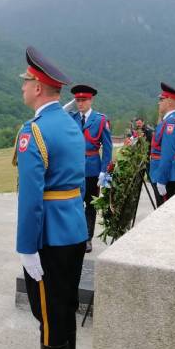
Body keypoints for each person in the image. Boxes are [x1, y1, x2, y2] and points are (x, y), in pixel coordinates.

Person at [12, 46, 87, 349]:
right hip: (72, 231)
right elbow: (79, 182)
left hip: (49, 238)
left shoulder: (35, 131)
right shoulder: (70, 125)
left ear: (39, 86)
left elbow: (31, 198)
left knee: (49, 312)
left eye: (26, 81)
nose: (23, 87)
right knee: (64, 305)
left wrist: (27, 247)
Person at [68, 84, 112, 253]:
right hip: (74, 168)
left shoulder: (100, 120)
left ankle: (87, 238)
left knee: (91, 204)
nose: (80, 104)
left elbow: (107, 148)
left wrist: (104, 172)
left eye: (83, 100)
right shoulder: (71, 118)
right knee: (74, 202)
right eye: (77, 100)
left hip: (93, 169)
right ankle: (75, 235)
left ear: (90, 100)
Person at [150, 83, 175, 207]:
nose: (159, 103)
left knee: (164, 215)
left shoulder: (171, 122)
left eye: (162, 99)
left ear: (170, 102)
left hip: (167, 177)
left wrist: (161, 179)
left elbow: (168, 153)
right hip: (171, 173)